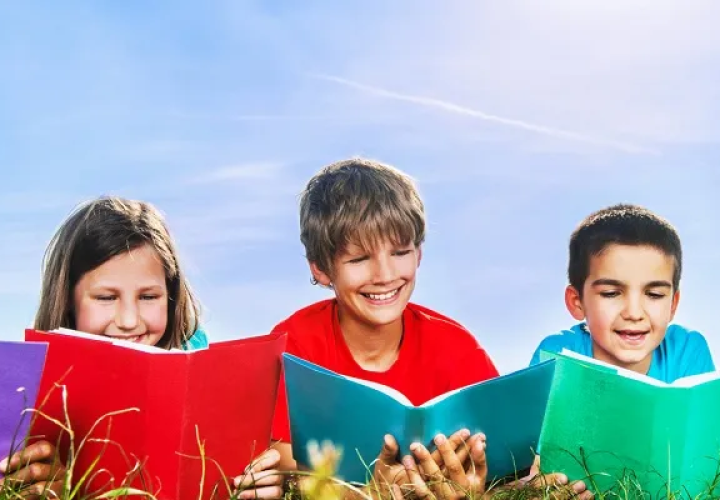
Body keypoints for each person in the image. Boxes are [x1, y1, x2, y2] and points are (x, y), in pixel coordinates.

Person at [239, 158, 591, 499]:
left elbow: (507, 456)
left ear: (419, 254)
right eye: (359, 259)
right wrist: (362, 494)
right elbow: (282, 460)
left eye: (400, 252)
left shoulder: (456, 345)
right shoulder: (294, 342)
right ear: (321, 269)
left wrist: (481, 486)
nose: (385, 275)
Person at [2, 197, 278, 499]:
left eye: (148, 297)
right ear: (68, 299)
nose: (129, 321)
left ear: (171, 297)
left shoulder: (199, 364)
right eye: (106, 298)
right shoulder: (26, 384)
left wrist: (261, 480)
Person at [530, 203, 715, 381]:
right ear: (577, 301)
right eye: (611, 293)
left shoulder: (687, 351)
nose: (634, 314)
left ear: (673, 305)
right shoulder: (557, 356)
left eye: (654, 295)